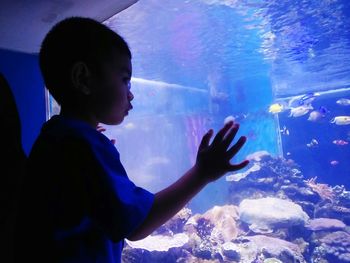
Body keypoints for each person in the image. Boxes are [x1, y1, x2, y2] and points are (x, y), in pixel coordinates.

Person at [13, 17, 249, 263]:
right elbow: (136, 226)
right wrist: (202, 173)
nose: (130, 93)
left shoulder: (56, 136)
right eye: (125, 79)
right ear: (83, 78)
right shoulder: (80, 144)